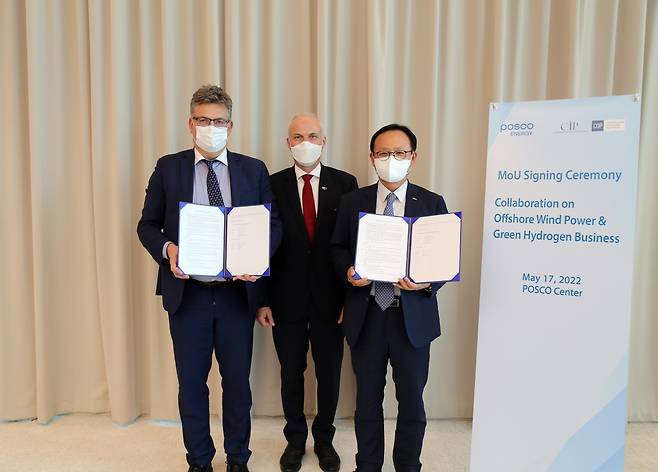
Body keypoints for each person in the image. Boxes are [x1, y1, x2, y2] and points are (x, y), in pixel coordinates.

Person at [137, 84, 282, 472]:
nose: (211, 127)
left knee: (237, 385)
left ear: (230, 126)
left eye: (218, 121)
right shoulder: (169, 166)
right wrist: (169, 251)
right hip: (189, 295)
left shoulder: (254, 169)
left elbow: (273, 225)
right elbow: (147, 225)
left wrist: (256, 259)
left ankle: (238, 458)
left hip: (238, 295)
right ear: (190, 123)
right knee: (192, 386)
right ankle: (199, 460)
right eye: (203, 120)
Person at [330, 124, 449, 472]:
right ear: (372, 158)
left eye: (399, 153)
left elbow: (444, 258)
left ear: (413, 157)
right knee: (367, 400)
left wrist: (426, 283)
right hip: (367, 315)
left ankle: (408, 466)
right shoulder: (353, 202)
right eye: (383, 153)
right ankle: (367, 465)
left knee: (412, 401)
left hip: (411, 317)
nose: (391, 160)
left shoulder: (431, 202)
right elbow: (337, 249)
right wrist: (349, 271)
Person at [257, 114, 358, 472]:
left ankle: (325, 440)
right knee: (291, 373)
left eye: (312, 135)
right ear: (288, 143)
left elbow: (353, 244)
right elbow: (262, 247)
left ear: (324, 140)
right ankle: (295, 441)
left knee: (330, 373)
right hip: (286, 301)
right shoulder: (271, 185)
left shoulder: (346, 184)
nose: (306, 141)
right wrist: (263, 299)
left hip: (333, 302)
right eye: (298, 136)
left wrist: (351, 299)